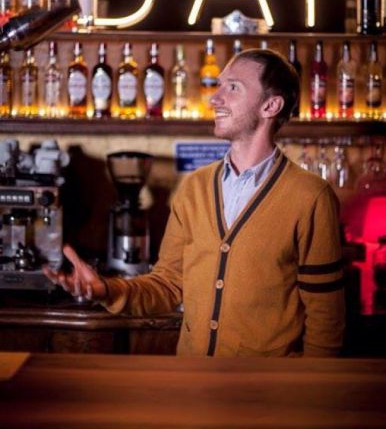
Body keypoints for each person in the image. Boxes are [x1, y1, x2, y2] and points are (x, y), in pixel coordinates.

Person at [44, 48, 345, 357]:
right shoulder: (195, 187)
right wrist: (107, 290)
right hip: (193, 376)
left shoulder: (311, 197)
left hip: (268, 381)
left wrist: (311, 381)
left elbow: (325, 315)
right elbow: (168, 284)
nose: (215, 98)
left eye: (232, 87)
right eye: (219, 85)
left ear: (270, 105)